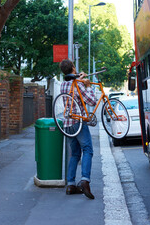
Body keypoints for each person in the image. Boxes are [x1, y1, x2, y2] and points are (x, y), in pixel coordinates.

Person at [59, 59, 96, 199]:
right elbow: (91, 101)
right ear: (73, 68)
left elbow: (71, 85)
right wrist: (86, 85)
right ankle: (85, 180)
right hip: (78, 122)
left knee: (74, 154)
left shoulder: (63, 85)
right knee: (88, 150)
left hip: (67, 124)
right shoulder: (78, 85)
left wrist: (79, 79)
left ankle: (71, 185)